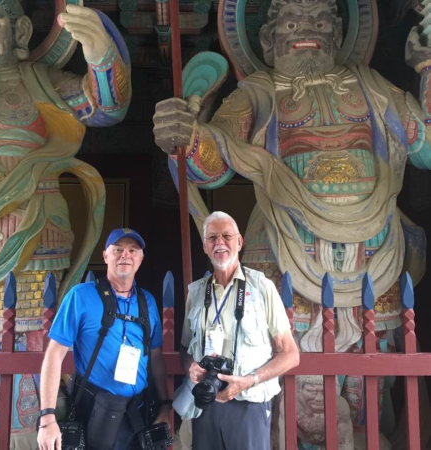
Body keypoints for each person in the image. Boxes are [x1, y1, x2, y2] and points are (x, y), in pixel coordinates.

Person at [153, 0, 431, 443]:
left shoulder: (372, 85)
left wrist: (428, 68)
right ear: (268, 39)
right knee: (280, 358)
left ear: (338, 36)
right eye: (292, 21)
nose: (308, 28)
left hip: (374, 248)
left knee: (370, 368)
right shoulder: (258, 92)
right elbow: (213, 163)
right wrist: (188, 136)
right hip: (283, 243)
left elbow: (424, 146)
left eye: (321, 20)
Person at [0, 1, 131, 446]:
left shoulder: (37, 81)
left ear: (22, 31)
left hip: (31, 235)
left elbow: (104, 108)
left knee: (28, 333)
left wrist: (100, 52)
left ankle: (25, 430)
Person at [37, 228, 171, 450]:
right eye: (118, 249)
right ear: (105, 256)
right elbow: (54, 354)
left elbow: (156, 357)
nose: (125, 255)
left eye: (132, 250)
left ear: (140, 259)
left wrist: (165, 405)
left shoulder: (147, 301)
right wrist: (47, 417)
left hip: (137, 417)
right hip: (93, 414)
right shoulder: (81, 296)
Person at [180, 211, 299, 450]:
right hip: (206, 401)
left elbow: (291, 354)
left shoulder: (261, 287)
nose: (220, 243)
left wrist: (249, 381)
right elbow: (185, 350)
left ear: (239, 242)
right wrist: (191, 367)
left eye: (226, 236)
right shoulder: (196, 293)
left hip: (248, 404)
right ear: (204, 246)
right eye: (212, 238)